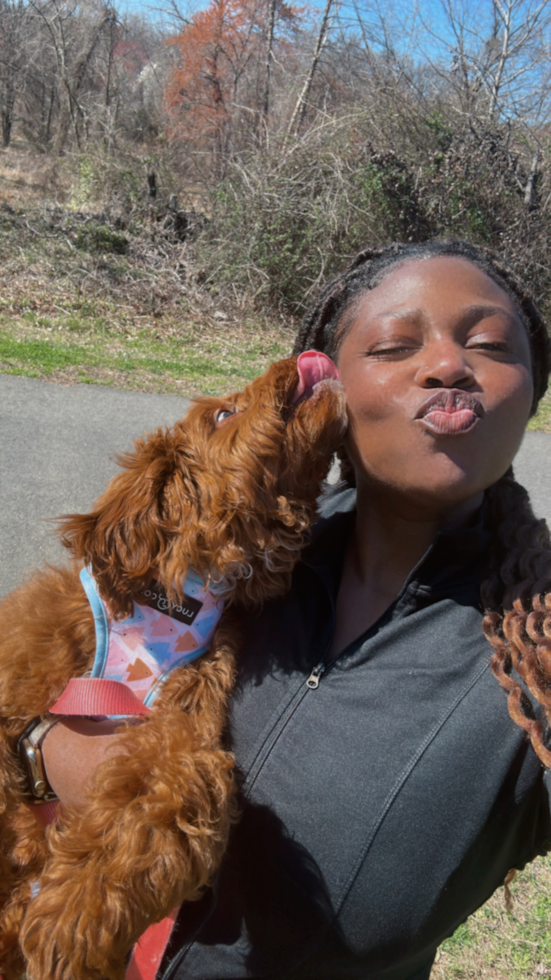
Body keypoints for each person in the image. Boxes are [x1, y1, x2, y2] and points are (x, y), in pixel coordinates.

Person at [42, 239, 551, 980]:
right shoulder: (234, 547)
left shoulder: (532, 655)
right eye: (394, 344)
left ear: (531, 390)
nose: (448, 365)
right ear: (327, 390)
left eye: (489, 343)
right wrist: (46, 750)